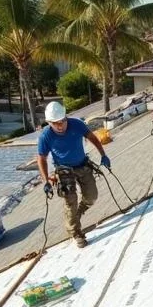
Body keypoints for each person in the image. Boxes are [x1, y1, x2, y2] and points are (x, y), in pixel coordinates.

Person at [37, 101, 111, 248]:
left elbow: (93, 138)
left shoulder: (77, 124)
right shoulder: (45, 136)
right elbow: (41, 159)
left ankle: (78, 213)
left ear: (66, 117)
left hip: (82, 165)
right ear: (49, 122)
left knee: (92, 196)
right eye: (55, 123)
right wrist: (46, 180)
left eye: (62, 121)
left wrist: (103, 155)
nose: (60, 125)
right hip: (64, 171)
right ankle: (76, 232)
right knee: (70, 202)